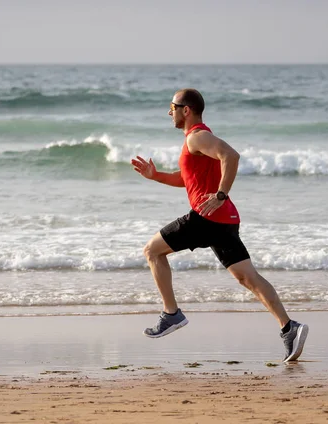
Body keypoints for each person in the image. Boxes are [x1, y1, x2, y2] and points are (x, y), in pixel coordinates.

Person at [131, 88, 309, 362]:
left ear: (185, 110)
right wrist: (156, 176)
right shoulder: (198, 140)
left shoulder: (197, 136)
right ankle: (289, 328)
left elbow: (231, 156)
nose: (169, 112)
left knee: (152, 251)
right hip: (223, 220)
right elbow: (187, 179)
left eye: (172, 107)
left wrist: (221, 193)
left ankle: (171, 314)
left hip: (205, 216)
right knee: (247, 277)